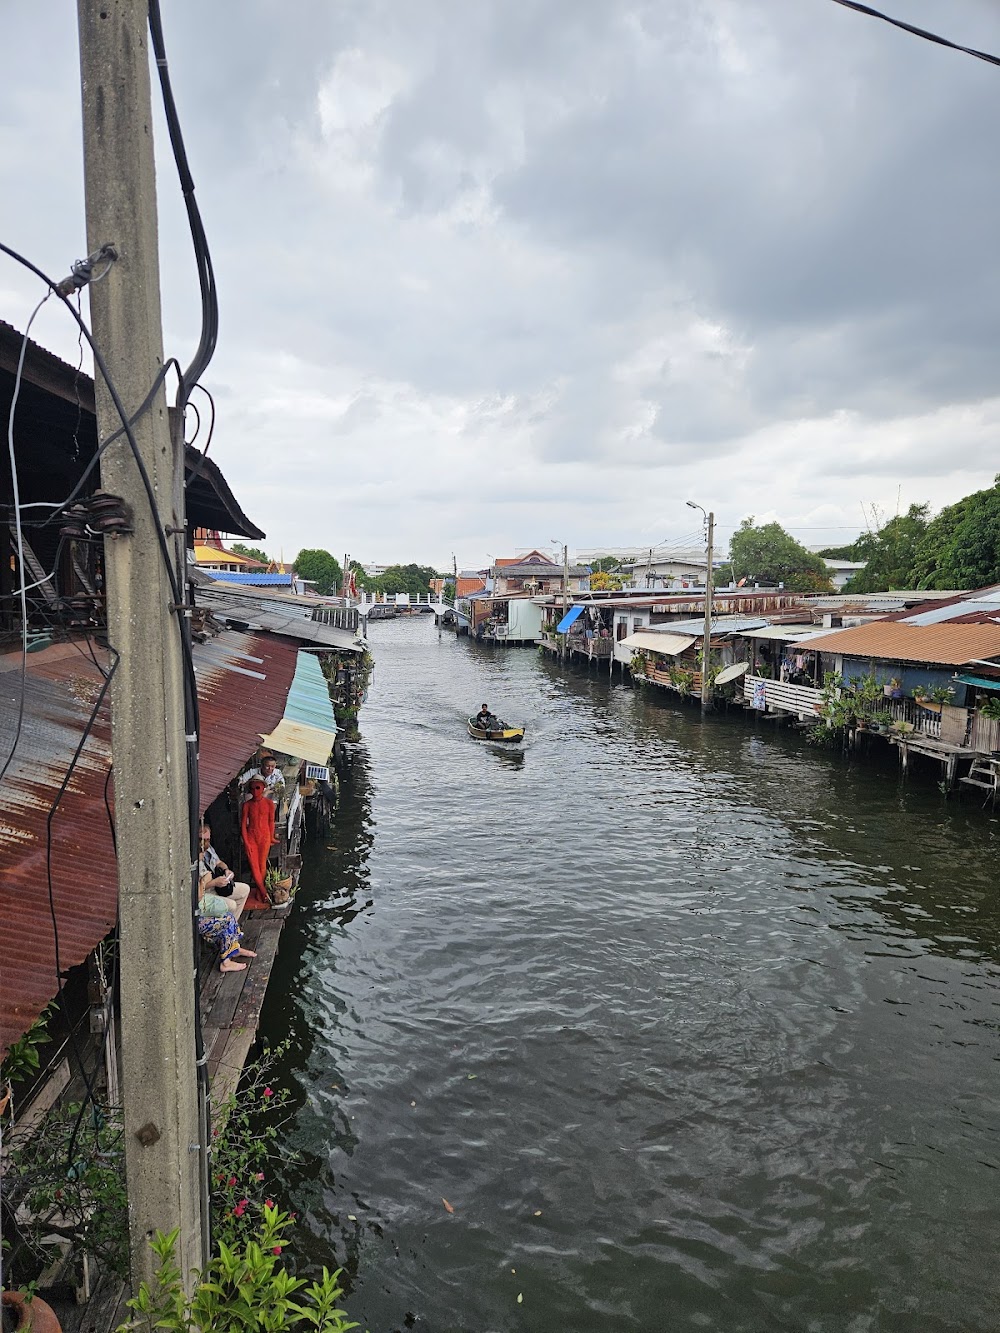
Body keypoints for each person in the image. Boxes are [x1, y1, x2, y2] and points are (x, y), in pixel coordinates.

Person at [197, 871, 256, 974]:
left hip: (201, 909)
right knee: (227, 921)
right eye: (202, 853)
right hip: (195, 918)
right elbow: (198, 897)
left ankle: (234, 949)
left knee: (229, 916)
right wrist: (203, 881)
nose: (202, 854)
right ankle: (225, 963)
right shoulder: (189, 869)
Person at [198, 823, 250, 918]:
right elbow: (196, 889)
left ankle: (232, 926)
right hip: (204, 892)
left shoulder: (209, 848)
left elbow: (218, 862)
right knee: (231, 905)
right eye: (202, 840)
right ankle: (226, 927)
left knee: (245, 889)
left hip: (217, 885)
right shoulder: (194, 858)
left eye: (208, 839)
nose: (205, 843)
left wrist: (226, 870)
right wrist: (214, 883)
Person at [241, 777, 278, 908]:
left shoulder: (269, 804)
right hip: (252, 837)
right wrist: (246, 842)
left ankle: (259, 892)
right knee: (254, 865)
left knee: (262, 865)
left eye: (257, 788)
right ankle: (263, 892)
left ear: (263, 788)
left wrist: (272, 837)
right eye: (252, 788)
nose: (255, 791)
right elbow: (243, 826)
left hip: (265, 837)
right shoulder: (247, 805)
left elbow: (271, 822)